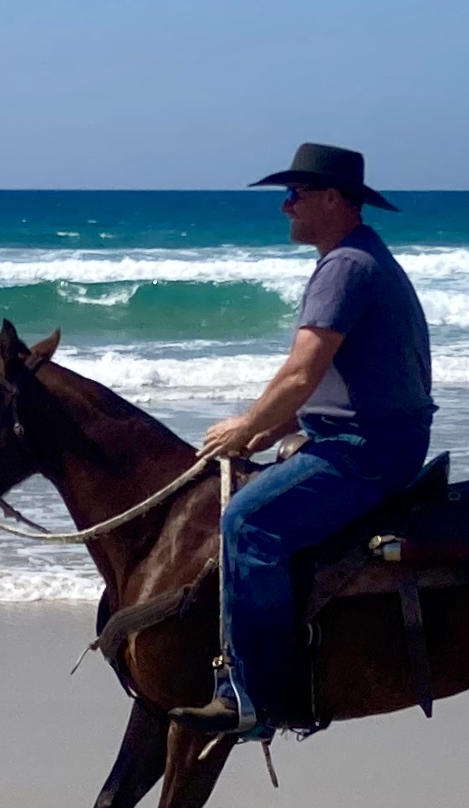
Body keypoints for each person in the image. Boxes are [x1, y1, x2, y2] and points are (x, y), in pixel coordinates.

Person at [170, 144, 435, 735]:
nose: (286, 206)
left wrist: (245, 426)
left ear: (334, 199)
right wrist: (270, 429)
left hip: (366, 450)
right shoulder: (362, 257)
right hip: (376, 435)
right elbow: (341, 383)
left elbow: (301, 373)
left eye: (297, 194)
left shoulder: (345, 266)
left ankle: (251, 697)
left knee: (247, 522)